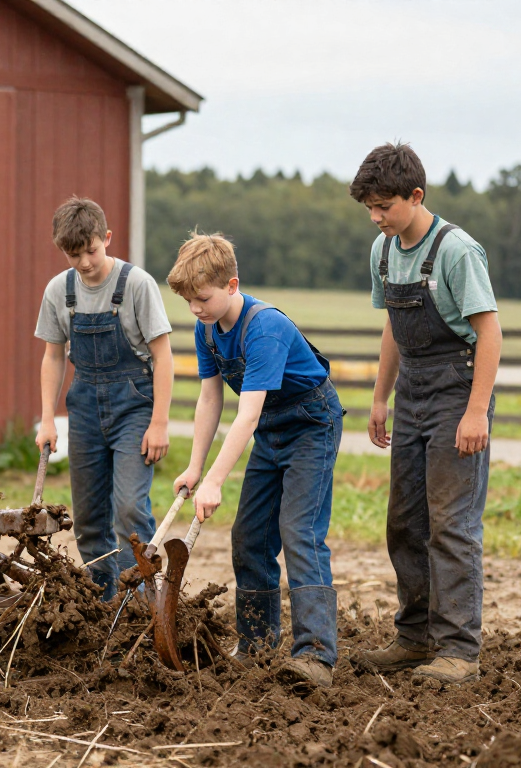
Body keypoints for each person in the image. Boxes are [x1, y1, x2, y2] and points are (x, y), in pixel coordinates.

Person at [350, 143, 499, 686]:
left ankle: (459, 649)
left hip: (458, 390)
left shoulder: (456, 251)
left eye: (383, 205)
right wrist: (379, 397)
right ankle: (415, 639)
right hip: (411, 388)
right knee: (405, 520)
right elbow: (393, 326)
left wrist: (476, 411)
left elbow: (489, 332)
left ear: (415, 196)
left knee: (451, 524)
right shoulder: (383, 251)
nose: (376, 217)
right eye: (369, 207)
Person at [167, 232, 343, 689]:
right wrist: (195, 467)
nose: (196, 309)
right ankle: (257, 646)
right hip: (270, 430)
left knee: (299, 530)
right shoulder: (205, 330)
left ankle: (316, 656)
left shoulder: (263, 328)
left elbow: (246, 416)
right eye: (188, 301)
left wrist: (216, 482)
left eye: (202, 299)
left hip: (310, 425)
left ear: (231, 284)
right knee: (250, 535)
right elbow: (210, 400)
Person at [32, 197, 174, 600]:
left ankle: (142, 605)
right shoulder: (59, 290)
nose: (85, 263)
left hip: (134, 408)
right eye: (73, 254)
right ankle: (102, 607)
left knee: (129, 509)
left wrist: (159, 422)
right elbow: (53, 356)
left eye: (91, 251)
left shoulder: (137, 285)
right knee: (90, 520)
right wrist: (47, 419)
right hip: (86, 411)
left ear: (107, 238)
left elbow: (163, 357)